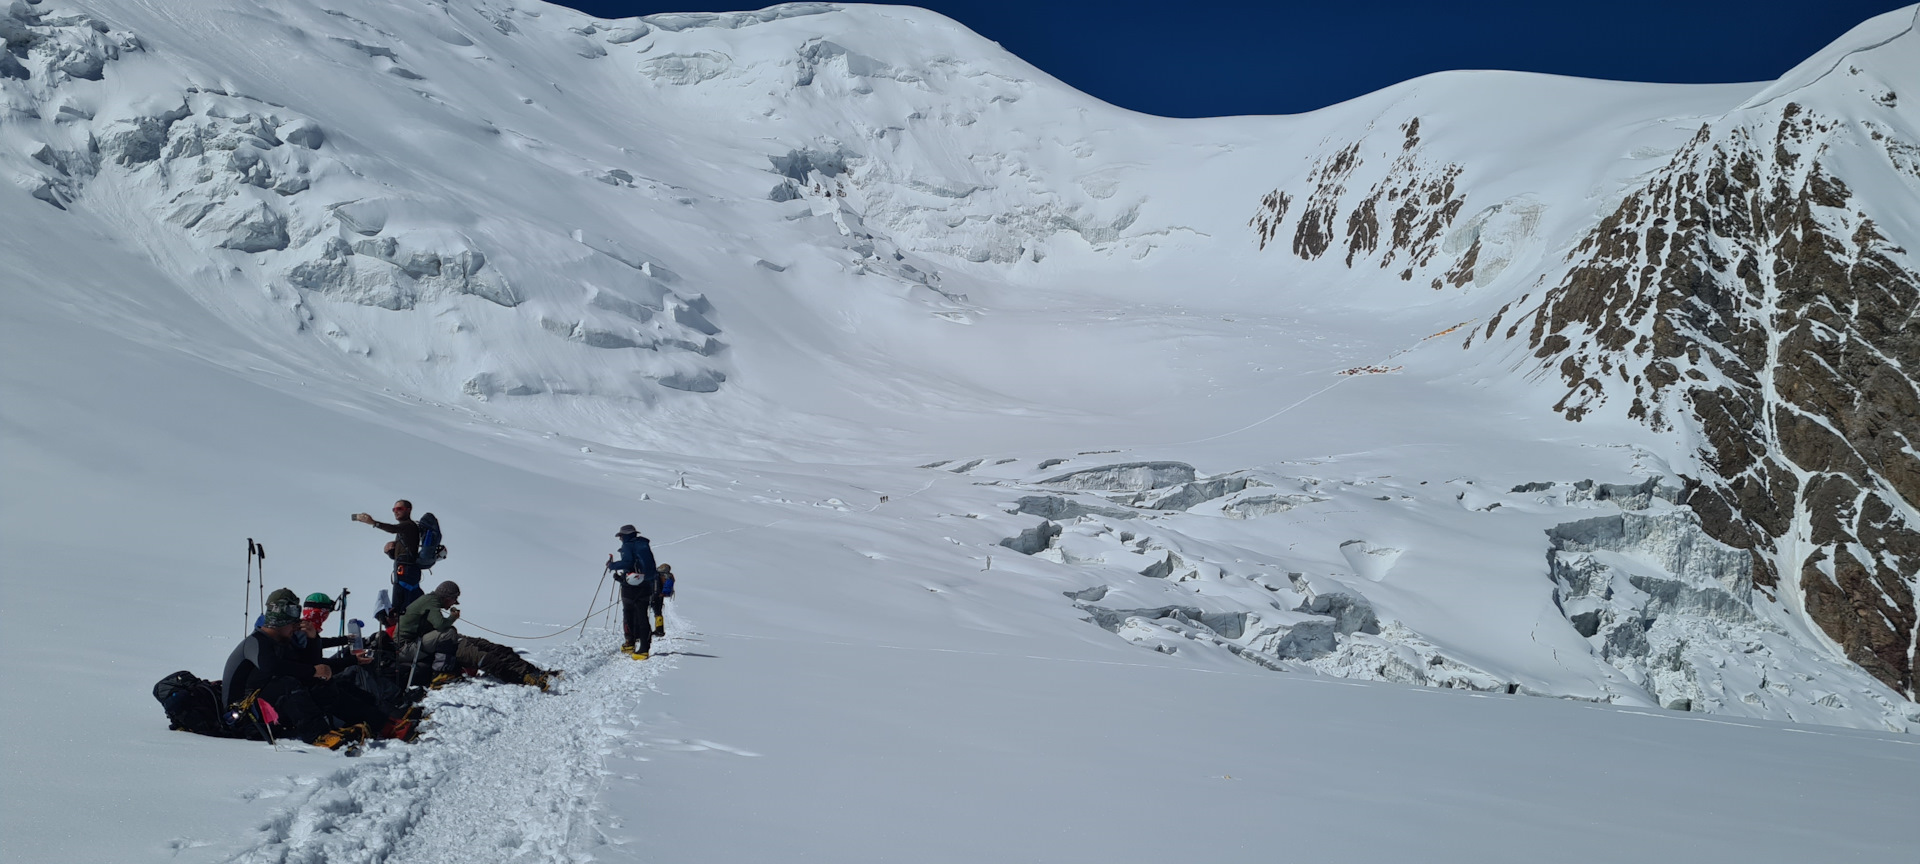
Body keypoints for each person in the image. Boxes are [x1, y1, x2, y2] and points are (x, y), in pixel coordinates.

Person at [222, 589, 387, 745]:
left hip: (269, 708)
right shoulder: (256, 642)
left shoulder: (282, 642)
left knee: (324, 684)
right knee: (289, 684)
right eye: (293, 624)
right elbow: (271, 666)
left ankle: (378, 722)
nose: (296, 628)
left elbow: (310, 666)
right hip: (243, 716)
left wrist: (314, 641)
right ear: (280, 623)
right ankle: (318, 734)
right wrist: (314, 671)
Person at [393, 580, 553, 689]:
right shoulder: (431, 602)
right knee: (480, 655)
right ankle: (522, 677)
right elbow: (441, 626)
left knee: (489, 646)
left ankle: (530, 670)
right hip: (407, 647)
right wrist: (453, 617)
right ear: (447, 597)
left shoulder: (430, 601)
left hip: (427, 641)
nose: (452, 605)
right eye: (453, 601)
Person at [352, 500, 424, 616]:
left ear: (408, 510)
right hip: (405, 568)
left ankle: (400, 623)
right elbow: (400, 554)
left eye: (399, 509)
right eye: (394, 510)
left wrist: (373, 523)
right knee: (406, 601)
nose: (396, 512)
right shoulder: (405, 528)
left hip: (405, 569)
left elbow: (393, 528)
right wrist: (390, 551)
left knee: (401, 605)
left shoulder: (408, 525)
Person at [650, 563, 674, 638]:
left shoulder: (658, 574)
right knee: (658, 611)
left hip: (656, 594)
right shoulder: (669, 576)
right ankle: (659, 629)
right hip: (661, 595)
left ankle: (659, 630)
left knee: (657, 611)